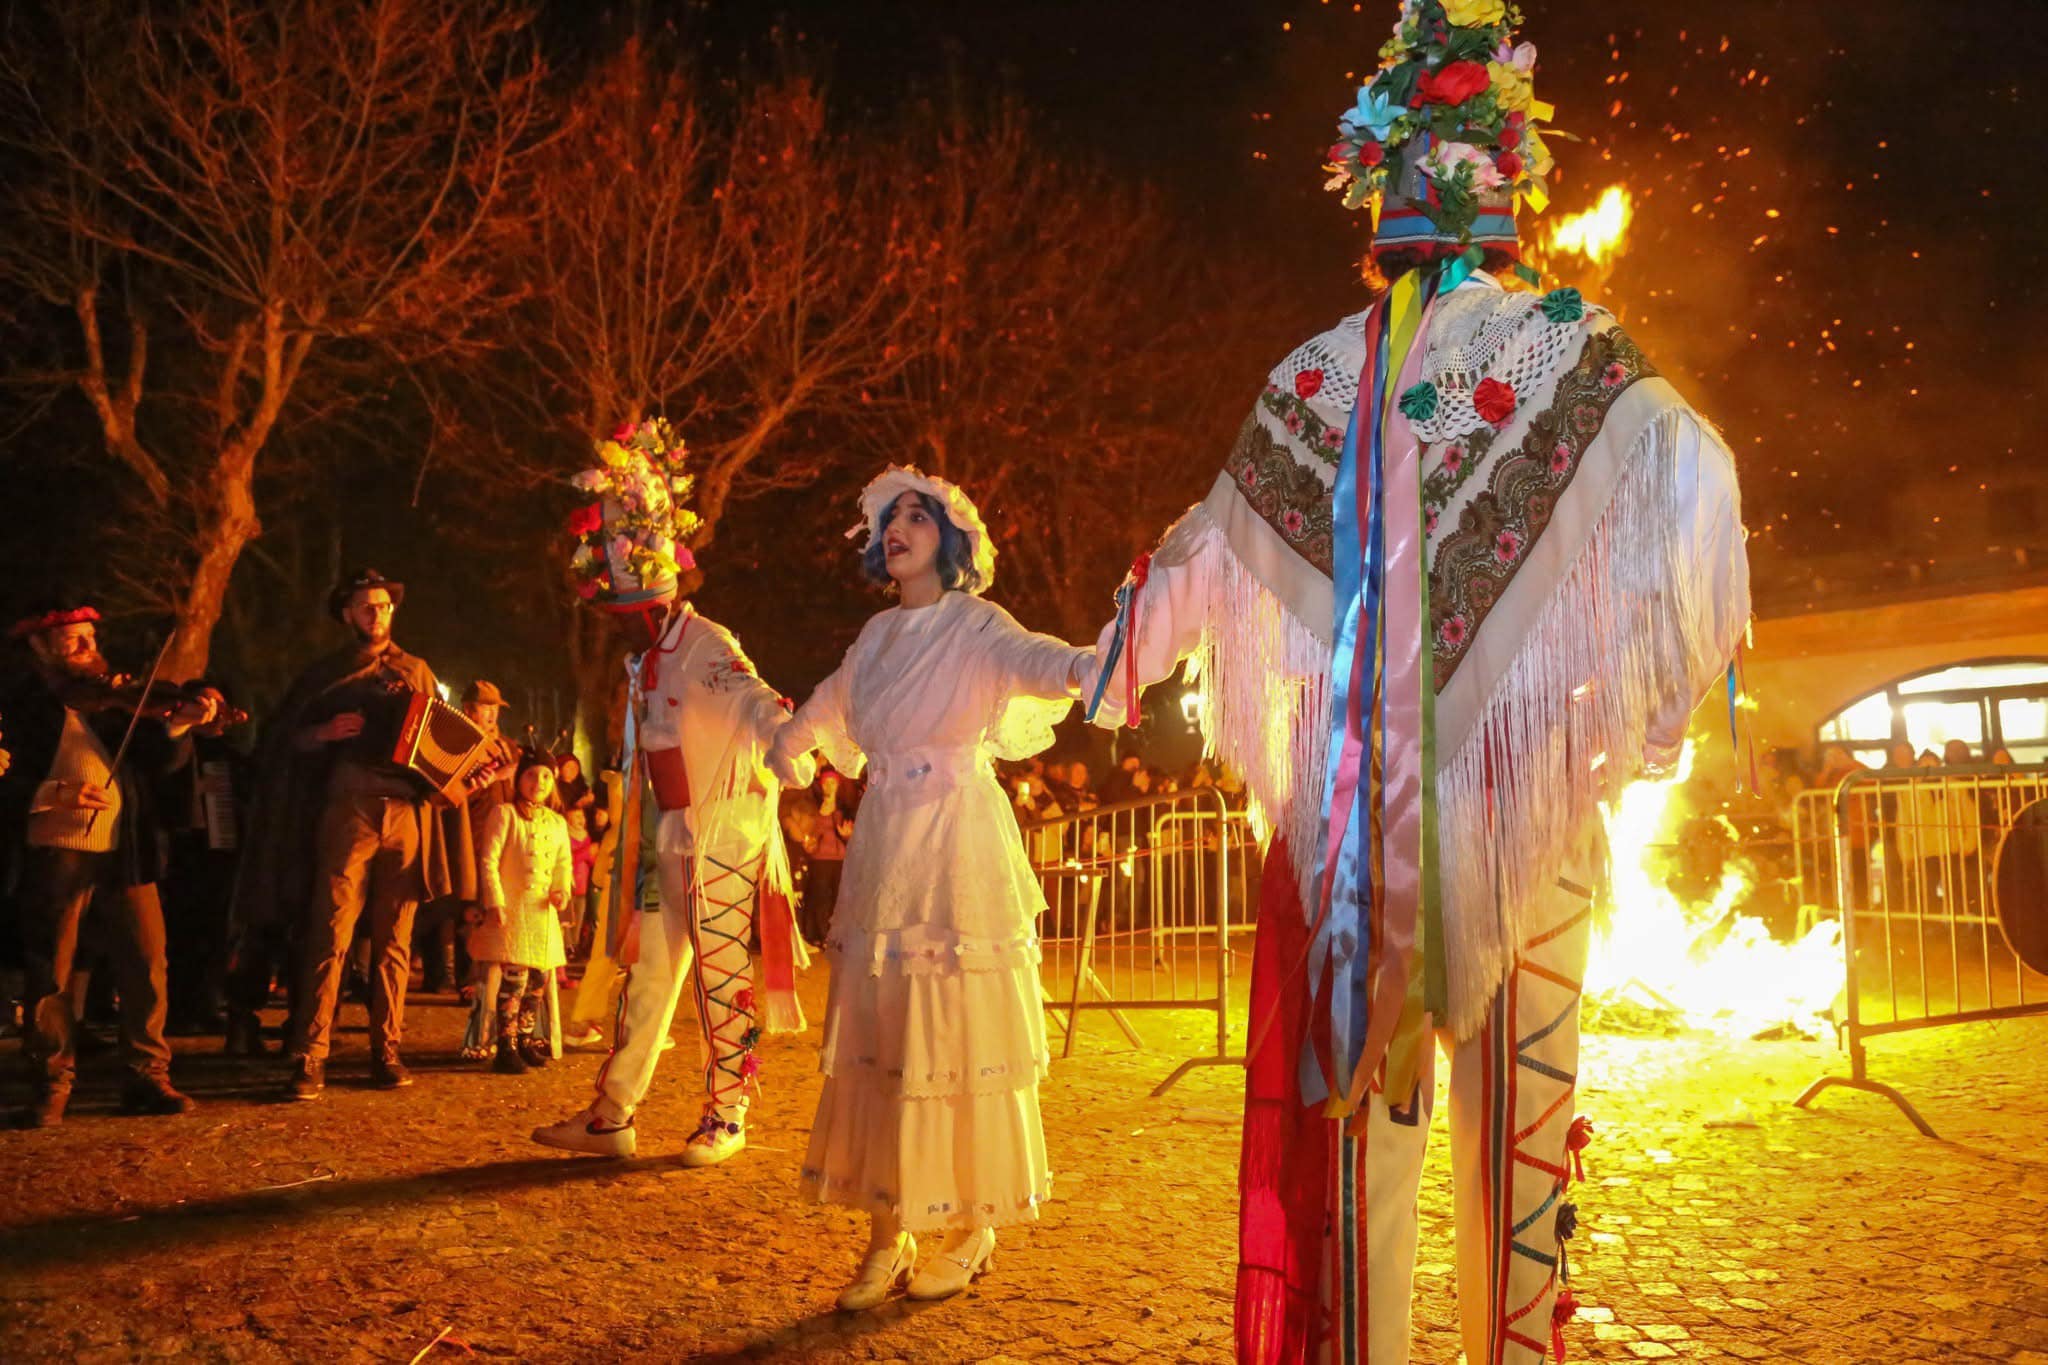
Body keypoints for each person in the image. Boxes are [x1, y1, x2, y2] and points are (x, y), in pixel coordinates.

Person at [1083, 9, 1751, 1358]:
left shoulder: (1321, 373)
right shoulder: (1565, 338)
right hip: (1535, 813)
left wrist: (1107, 665)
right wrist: (1646, 703)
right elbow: (1691, 498)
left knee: (1368, 1158)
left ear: (1379, 186)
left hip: (1351, 841)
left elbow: (1202, 554)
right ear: (1508, 181)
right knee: (1519, 1142)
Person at [768, 466, 1096, 1311]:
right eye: (888, 519)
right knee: (885, 1031)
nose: (897, 528)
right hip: (886, 844)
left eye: (916, 515)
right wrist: (787, 746)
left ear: (949, 538)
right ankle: (889, 1227)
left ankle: (970, 1223)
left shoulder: (976, 623)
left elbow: (1038, 660)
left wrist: (1095, 664)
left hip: (958, 839)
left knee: (953, 1029)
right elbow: (822, 708)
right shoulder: (874, 637)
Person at [531, 417, 806, 1164]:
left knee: (721, 980)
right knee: (648, 977)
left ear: (653, 605)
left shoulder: (708, 644)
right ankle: (613, 1112)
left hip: (722, 839)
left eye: (625, 619)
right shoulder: (646, 660)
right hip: (670, 844)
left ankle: (728, 1111)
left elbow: (758, 699)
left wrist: (788, 740)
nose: (620, 632)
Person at [233, 570, 470, 1098]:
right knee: (331, 933)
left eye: (384, 606)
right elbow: (279, 740)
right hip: (348, 811)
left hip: (406, 814)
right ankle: (310, 1055)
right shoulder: (327, 674)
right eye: (366, 607)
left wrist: (454, 779)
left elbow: (441, 746)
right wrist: (322, 732)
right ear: (347, 614)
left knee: (395, 943)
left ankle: (386, 1051)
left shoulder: (418, 671)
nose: (376, 614)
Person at [1, 603, 219, 1125]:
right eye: (74, 640)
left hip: (125, 849)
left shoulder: (119, 701)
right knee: (51, 973)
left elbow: (156, 764)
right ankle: (51, 1084)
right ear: (40, 647)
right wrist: (52, 793)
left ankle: (147, 1077)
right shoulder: (20, 703)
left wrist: (177, 728)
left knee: (146, 962)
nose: (87, 647)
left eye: (90, 638)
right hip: (55, 851)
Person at [469, 754, 573, 1074]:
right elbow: (489, 860)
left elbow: (562, 864)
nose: (538, 783)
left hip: (543, 913)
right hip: (513, 910)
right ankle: (506, 1044)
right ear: (519, 780)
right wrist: (495, 902)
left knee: (539, 979)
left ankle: (527, 1038)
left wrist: (561, 891)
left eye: (545, 776)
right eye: (531, 775)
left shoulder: (557, 822)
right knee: (515, 979)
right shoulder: (504, 814)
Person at [162, 681, 250, 1036]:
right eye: (207, 705)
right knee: (178, 932)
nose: (214, 714)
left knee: (217, 931)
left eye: (220, 706)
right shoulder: (173, 744)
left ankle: (208, 1003)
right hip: (180, 850)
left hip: (218, 848)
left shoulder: (228, 753)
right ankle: (177, 1007)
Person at [420, 680, 519, 996]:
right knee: (454, 905)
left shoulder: (506, 745)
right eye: (484, 707)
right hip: (462, 836)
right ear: (468, 709)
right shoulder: (455, 741)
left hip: (499, 836)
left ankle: (475, 973)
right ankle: (448, 974)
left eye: (494, 708)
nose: (491, 714)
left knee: (485, 907)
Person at [798, 767, 854, 946]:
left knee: (838, 899)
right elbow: (809, 836)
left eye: (832, 783)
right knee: (820, 899)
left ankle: (838, 935)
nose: (829, 787)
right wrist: (809, 846)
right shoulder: (814, 809)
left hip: (840, 860)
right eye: (825, 783)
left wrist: (846, 836)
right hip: (820, 860)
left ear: (838, 786)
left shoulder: (845, 809)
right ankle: (822, 935)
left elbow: (854, 836)